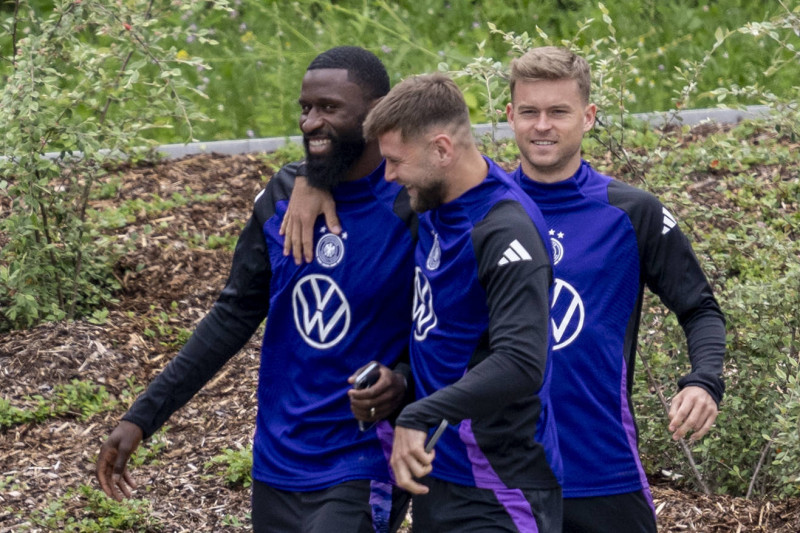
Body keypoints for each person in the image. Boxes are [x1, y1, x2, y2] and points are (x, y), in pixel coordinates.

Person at [95, 46, 418, 533]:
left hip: (363, 461)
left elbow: (451, 324)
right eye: (306, 109)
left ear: (378, 112)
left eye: (330, 108)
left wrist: (405, 378)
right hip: (277, 463)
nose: (310, 123)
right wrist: (142, 417)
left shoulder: (415, 206)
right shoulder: (282, 200)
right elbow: (232, 316)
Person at [505, 46, 726, 533]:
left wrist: (704, 379)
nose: (542, 125)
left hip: (602, 469)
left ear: (587, 117)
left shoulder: (631, 212)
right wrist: (305, 183)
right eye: (529, 112)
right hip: (498, 476)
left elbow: (700, 308)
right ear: (510, 117)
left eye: (558, 112)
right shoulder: (479, 208)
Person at [364, 73, 562, 532]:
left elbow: (521, 361)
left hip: (500, 489)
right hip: (440, 476)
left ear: (442, 150)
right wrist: (401, 381)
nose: (388, 176)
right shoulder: (433, 202)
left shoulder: (503, 230)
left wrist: (419, 413)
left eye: (395, 161)